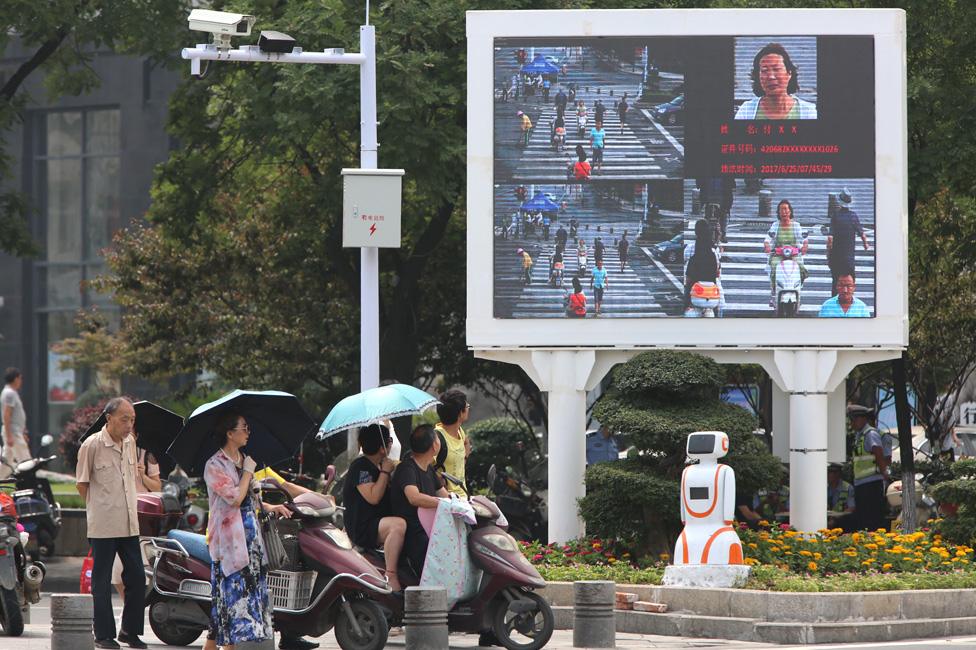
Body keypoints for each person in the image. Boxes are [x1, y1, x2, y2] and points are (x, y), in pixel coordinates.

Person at [203, 412, 292, 650]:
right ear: (230, 434)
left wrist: (273, 507)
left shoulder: (244, 460)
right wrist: (247, 473)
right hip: (229, 546)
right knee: (231, 606)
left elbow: (251, 499)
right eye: (244, 428)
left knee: (228, 610)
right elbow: (234, 498)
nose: (248, 432)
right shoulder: (214, 465)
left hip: (251, 542)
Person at [76, 397, 146, 649]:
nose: (129, 424)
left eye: (132, 420)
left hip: (129, 523)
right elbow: (82, 484)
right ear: (109, 419)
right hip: (104, 525)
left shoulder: (131, 442)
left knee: (138, 577)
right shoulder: (91, 445)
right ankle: (104, 634)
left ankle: (130, 631)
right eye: (124, 419)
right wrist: (99, 508)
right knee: (102, 580)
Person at [342, 424, 406, 592]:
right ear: (382, 448)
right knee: (398, 525)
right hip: (363, 527)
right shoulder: (360, 467)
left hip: (377, 522)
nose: (391, 444)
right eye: (389, 441)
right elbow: (373, 497)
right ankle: (390, 574)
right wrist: (385, 473)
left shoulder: (377, 466)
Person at [391, 424, 449, 577]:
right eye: (437, 437)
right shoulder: (407, 468)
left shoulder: (429, 469)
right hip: (414, 530)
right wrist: (443, 503)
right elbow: (414, 497)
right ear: (434, 446)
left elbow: (445, 495)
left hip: (431, 526)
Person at [111, 427, 160, 601]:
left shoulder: (146, 456)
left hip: (142, 518)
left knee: (142, 568)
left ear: (136, 436)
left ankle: (135, 607)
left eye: (131, 432)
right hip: (119, 515)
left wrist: (142, 475)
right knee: (117, 572)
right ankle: (128, 605)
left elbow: (157, 487)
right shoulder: (112, 456)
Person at [735, 42, 817, 120]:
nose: (771, 77)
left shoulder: (809, 112)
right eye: (764, 70)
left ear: (789, 73)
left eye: (776, 69)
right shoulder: (746, 111)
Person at [849, 404, 889, 531]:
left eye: (854, 419)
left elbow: (878, 453)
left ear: (863, 419)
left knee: (872, 519)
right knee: (863, 519)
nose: (852, 423)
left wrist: (885, 473)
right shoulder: (859, 435)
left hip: (871, 483)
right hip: (861, 483)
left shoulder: (870, 434)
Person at [763, 199, 808, 308]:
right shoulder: (775, 225)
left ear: (790, 211)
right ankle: (774, 292)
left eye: (786, 209)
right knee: (774, 266)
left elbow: (803, 238)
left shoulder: (796, 225)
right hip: (778, 254)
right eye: (781, 210)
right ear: (778, 212)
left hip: (793, 254)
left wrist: (805, 245)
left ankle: (797, 290)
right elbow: (768, 237)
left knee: (801, 268)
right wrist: (767, 245)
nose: (784, 212)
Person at [826, 188, 870, 295]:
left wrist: (828, 254)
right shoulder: (853, 216)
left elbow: (830, 239)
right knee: (850, 283)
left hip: (836, 257)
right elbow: (862, 234)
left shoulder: (835, 216)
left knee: (836, 282)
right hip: (849, 259)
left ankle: (834, 304)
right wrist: (866, 244)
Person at [434, 389, 471, 496]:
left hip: (464, 499)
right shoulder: (437, 439)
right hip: (448, 503)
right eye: (467, 406)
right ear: (460, 414)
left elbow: (466, 442)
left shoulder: (460, 431)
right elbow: (424, 468)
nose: (468, 408)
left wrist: (464, 457)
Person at [1, 368, 30, 479]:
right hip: (13, 432)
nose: (21, 381)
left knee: (7, 464)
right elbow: (7, 415)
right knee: (26, 461)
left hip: (14, 432)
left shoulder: (10, 392)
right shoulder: (9, 393)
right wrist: (9, 436)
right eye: (20, 378)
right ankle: (29, 485)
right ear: (15, 378)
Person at [684, 220, 719, 310]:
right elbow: (717, 270)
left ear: (696, 232)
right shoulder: (713, 251)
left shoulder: (691, 248)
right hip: (711, 294)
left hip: (695, 292)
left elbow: (688, 276)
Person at [827, 463, 856, 532]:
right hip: (825, 519)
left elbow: (851, 508)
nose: (830, 475)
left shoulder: (848, 488)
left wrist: (835, 518)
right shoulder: (822, 486)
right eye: (829, 472)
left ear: (839, 474)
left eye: (833, 472)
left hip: (841, 521)